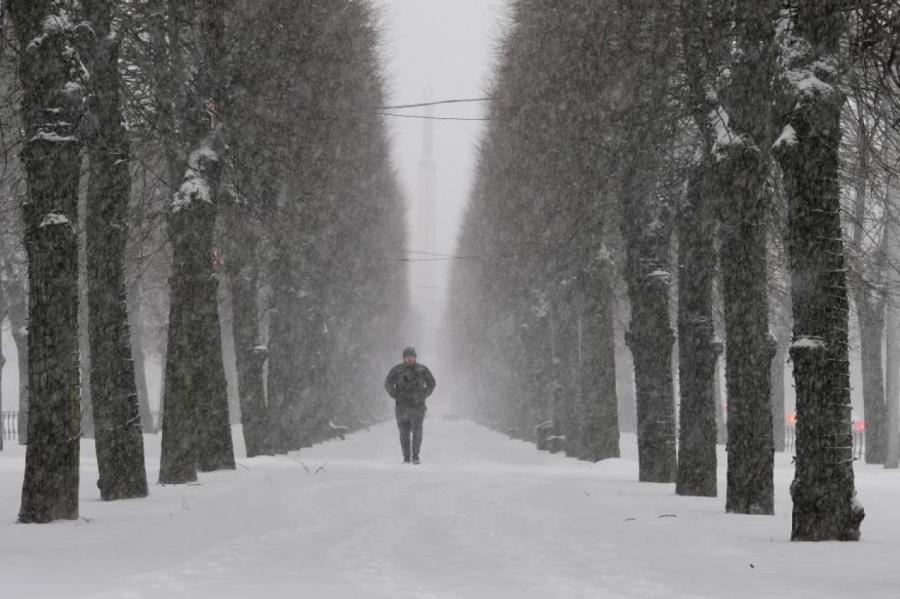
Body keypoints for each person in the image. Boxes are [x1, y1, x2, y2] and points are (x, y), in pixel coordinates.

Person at [384, 347, 436, 464]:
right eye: (407, 357)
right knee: (404, 433)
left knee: (417, 432)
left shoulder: (422, 369)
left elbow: (432, 383)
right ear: (403, 358)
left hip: (418, 407)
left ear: (415, 357)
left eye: (412, 357)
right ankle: (406, 457)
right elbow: (387, 383)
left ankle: (416, 456)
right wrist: (396, 395)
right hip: (402, 407)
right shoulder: (396, 370)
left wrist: (423, 395)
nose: (410, 359)